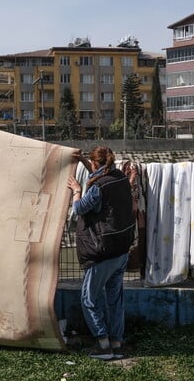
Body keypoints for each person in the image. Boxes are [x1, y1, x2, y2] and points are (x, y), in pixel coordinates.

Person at [67, 146, 135, 360]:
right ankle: (117, 342)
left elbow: (79, 209)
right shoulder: (120, 178)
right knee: (114, 298)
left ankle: (103, 345)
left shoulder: (97, 188)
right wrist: (84, 162)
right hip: (121, 250)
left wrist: (77, 190)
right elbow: (99, 176)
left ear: (97, 164)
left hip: (102, 252)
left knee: (89, 299)